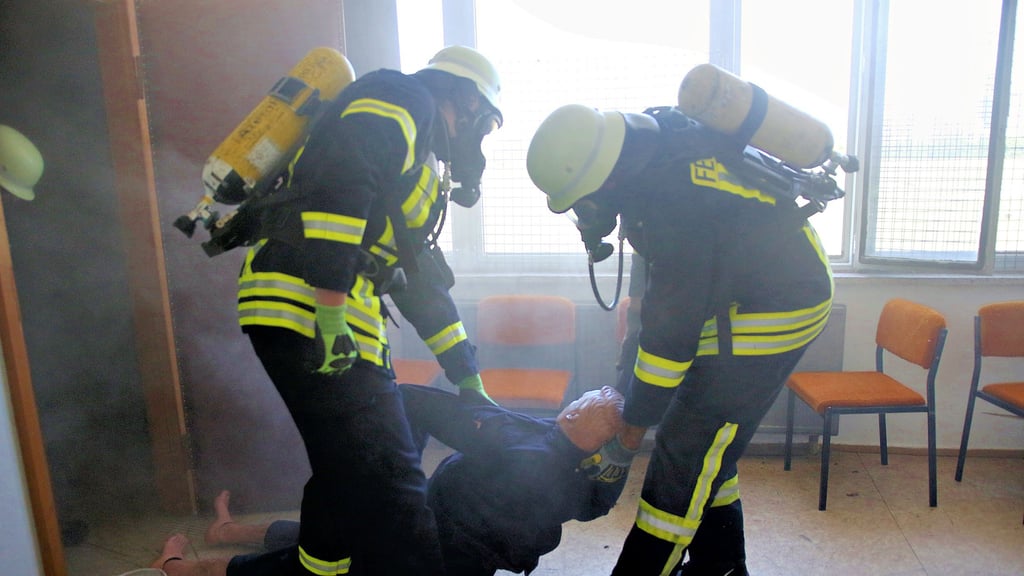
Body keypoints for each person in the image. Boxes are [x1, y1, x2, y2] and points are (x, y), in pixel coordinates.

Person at [526, 103, 835, 576]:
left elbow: (671, 338)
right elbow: (650, 310)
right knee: (708, 448)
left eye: (582, 204)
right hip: (742, 296)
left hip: (778, 308)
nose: (587, 218)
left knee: (682, 453)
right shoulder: (652, 162)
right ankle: (722, 565)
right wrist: (628, 394)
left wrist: (630, 433)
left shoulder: (671, 201)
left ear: (603, 179)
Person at [235, 45, 503, 575]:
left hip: (322, 310)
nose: (478, 141)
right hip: (311, 307)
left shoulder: (420, 156)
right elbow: (343, 178)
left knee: (345, 471)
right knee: (393, 481)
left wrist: (466, 373)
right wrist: (331, 307)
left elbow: (418, 279)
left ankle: (317, 571)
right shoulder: (404, 96)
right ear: (467, 101)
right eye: (484, 124)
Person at [151, 383, 629, 576]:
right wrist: (624, 449)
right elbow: (603, 497)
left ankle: (180, 569)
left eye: (596, 400)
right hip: (434, 542)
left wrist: (394, 478)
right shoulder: (577, 481)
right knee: (318, 540)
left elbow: (418, 403)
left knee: (304, 565)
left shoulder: (512, 439)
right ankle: (227, 533)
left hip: (423, 553)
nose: (601, 395)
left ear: (570, 412)